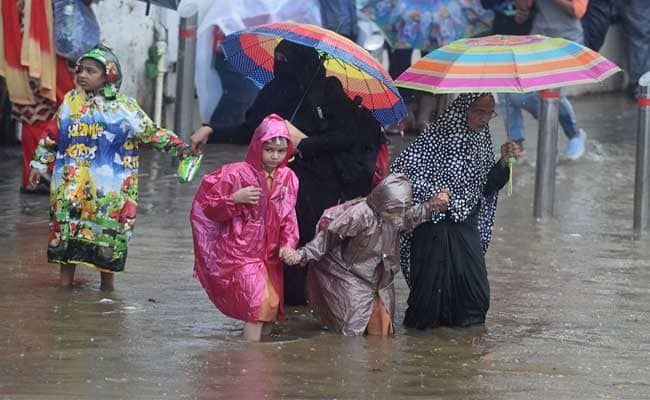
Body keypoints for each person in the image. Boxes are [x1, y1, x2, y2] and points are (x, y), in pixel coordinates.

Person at [190, 40, 383, 305]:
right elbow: (250, 130)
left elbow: (347, 138)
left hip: (317, 183)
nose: (281, 64)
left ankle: (304, 299)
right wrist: (211, 130)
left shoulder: (329, 94)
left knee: (303, 237)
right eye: (277, 58)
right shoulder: (273, 91)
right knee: (269, 237)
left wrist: (303, 144)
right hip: (276, 181)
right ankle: (269, 299)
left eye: (286, 59)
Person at [28, 45, 189, 291]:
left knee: (107, 241)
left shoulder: (125, 107)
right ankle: (64, 288)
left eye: (90, 71)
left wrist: (182, 150)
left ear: (108, 76)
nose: (82, 75)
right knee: (66, 236)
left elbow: (152, 134)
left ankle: (107, 290)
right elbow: (52, 134)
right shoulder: (70, 102)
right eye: (80, 69)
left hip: (109, 191)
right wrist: (39, 164)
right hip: (70, 187)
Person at [390, 93, 521, 329]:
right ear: (463, 109)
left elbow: (486, 187)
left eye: (489, 113)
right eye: (478, 111)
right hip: (432, 229)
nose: (483, 119)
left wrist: (503, 162)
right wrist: (433, 197)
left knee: (475, 298)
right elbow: (400, 174)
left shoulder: (481, 141)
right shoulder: (436, 137)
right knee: (426, 306)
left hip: (464, 226)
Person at [281, 173, 450, 336]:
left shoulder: (396, 216)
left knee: (383, 332)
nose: (396, 218)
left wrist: (430, 206)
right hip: (351, 275)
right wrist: (302, 255)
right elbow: (328, 237)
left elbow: (409, 218)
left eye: (400, 212)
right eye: (392, 212)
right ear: (381, 202)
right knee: (351, 331)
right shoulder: (360, 214)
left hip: (381, 280)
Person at [190, 114, 299, 342]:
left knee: (270, 307)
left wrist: (288, 244)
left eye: (280, 151)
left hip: (270, 256)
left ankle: (256, 358)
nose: (275, 156)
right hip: (241, 252)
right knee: (257, 306)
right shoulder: (236, 173)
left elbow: (288, 218)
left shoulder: (288, 178)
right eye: (269, 149)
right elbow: (208, 207)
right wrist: (234, 199)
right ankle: (250, 359)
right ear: (258, 145)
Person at [501, 0, 589, 160]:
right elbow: (524, 8)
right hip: (538, 39)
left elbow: (578, 11)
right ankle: (517, 145)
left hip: (567, 40)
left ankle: (574, 134)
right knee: (509, 90)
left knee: (553, 94)